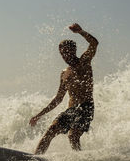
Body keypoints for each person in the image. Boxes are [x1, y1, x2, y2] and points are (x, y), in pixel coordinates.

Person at [29, 23, 99, 154]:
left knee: (73, 136)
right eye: (62, 53)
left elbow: (94, 44)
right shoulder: (64, 73)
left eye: (67, 52)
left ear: (73, 51)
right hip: (71, 109)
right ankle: (35, 158)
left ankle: (79, 160)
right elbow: (58, 98)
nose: (64, 56)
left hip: (86, 107)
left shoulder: (84, 61)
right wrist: (39, 115)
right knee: (51, 131)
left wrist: (81, 31)